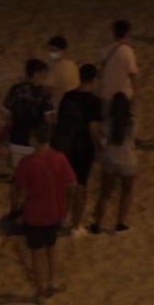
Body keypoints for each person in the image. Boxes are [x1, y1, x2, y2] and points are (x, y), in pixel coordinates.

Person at [14, 120, 76, 303]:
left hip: (34, 214)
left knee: (36, 252)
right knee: (52, 247)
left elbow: (22, 194)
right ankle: (53, 281)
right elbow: (71, 184)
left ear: (34, 139)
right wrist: (67, 206)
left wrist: (18, 208)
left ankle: (40, 291)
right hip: (55, 211)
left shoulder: (27, 163)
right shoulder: (59, 158)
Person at [52, 64, 102, 236]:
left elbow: (59, 122)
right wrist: (100, 147)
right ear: (94, 79)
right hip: (83, 149)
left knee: (67, 183)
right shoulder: (94, 102)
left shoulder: (68, 97)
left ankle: (63, 216)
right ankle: (76, 225)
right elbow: (93, 129)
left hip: (65, 147)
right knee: (81, 186)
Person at [90, 92, 137, 234]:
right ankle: (120, 223)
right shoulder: (131, 123)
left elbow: (102, 140)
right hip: (128, 160)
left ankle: (97, 224)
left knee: (105, 194)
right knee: (126, 192)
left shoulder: (107, 124)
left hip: (110, 160)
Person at [1, 59, 54, 171]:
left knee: (18, 173)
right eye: (43, 75)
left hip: (16, 140)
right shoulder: (43, 93)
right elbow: (48, 119)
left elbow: (5, 114)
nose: (45, 79)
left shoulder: (15, 90)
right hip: (35, 143)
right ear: (36, 74)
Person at [99, 20, 139, 114]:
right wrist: (135, 95)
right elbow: (132, 75)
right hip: (124, 96)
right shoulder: (128, 52)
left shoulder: (105, 50)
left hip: (107, 94)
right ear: (127, 33)